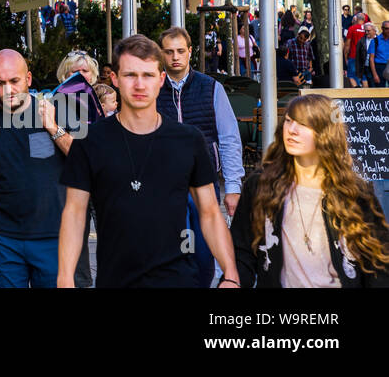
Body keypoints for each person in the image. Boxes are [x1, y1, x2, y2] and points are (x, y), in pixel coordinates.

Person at [59, 34, 240, 289]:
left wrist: (230, 274)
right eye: (131, 75)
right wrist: (64, 278)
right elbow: (74, 212)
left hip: (178, 280)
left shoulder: (188, 140)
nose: (140, 85)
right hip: (115, 280)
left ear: (161, 80)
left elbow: (210, 212)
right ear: (115, 79)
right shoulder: (90, 141)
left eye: (148, 75)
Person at [232, 94, 389, 287]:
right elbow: (242, 251)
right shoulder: (261, 185)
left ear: (326, 132)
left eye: (304, 124)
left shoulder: (353, 191)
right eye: (288, 121)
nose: (292, 130)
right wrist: (232, 281)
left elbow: (378, 259)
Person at [0, 49, 77, 288]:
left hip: (54, 235)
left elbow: (88, 162)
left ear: (28, 79)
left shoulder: (57, 109)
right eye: (0, 83)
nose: (9, 90)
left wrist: (53, 129)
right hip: (5, 237)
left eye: (15, 81)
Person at [157, 25, 246, 287]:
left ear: (190, 52)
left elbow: (229, 138)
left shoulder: (211, 87)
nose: (175, 57)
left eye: (180, 51)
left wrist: (233, 186)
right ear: (161, 54)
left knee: (204, 252)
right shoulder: (153, 87)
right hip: (163, 183)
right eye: (169, 51)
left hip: (203, 183)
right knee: (169, 250)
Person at [364, 21, 389, 87]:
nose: (388, 31)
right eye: (387, 28)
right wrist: (375, 75)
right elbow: (371, 59)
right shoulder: (375, 41)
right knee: (380, 90)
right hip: (379, 67)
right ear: (382, 28)